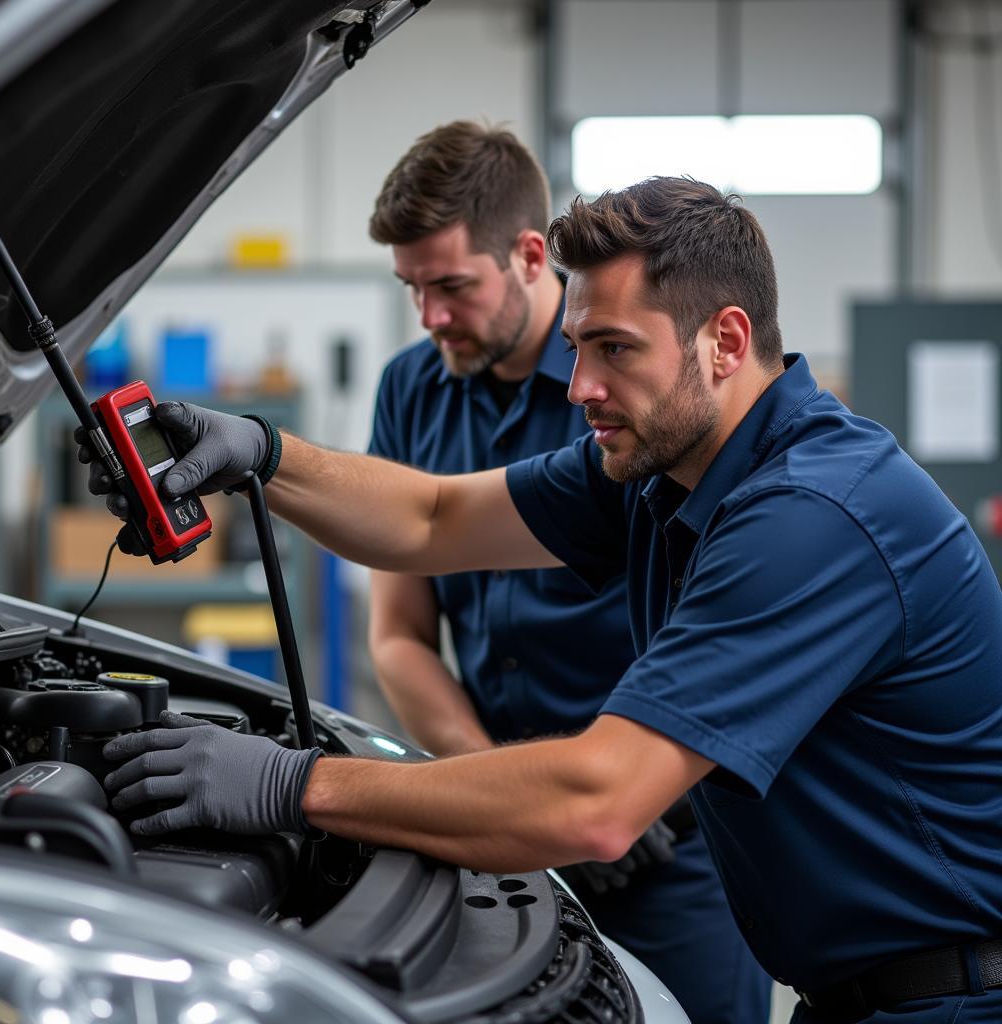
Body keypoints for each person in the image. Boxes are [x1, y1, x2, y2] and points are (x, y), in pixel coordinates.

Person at [85, 176, 1002, 1024]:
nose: (583, 389)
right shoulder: (665, 467)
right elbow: (433, 519)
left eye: (615, 350)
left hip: (952, 997)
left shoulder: (812, 515)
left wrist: (290, 784)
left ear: (724, 341)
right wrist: (261, 455)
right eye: (576, 348)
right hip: (854, 993)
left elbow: (596, 802)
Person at [362, 121, 770, 1024]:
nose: (431, 318)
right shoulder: (408, 391)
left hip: (670, 846)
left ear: (529, 254)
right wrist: (497, 789)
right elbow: (397, 633)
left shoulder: (647, 397)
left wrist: (625, 800)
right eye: (412, 290)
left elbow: (728, 630)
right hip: (508, 833)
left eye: (451, 286)